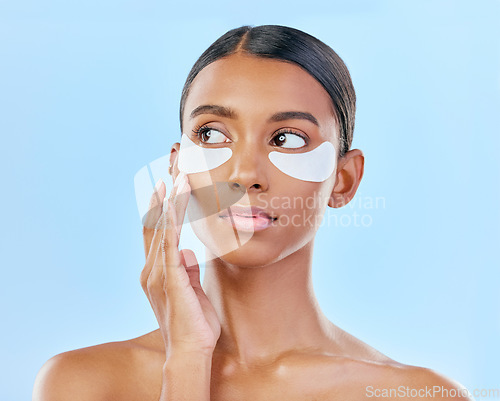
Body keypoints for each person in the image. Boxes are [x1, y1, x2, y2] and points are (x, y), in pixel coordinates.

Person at [33, 24, 472, 401]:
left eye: (288, 139)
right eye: (211, 134)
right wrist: (186, 357)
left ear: (344, 179)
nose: (244, 174)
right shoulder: (83, 384)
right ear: (177, 163)